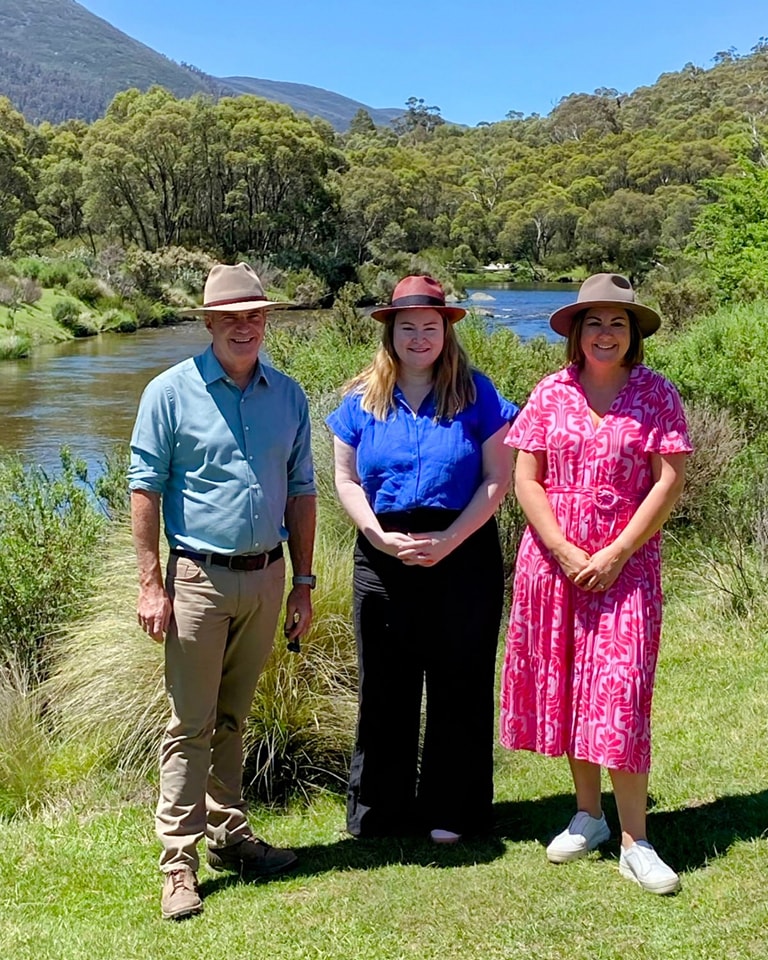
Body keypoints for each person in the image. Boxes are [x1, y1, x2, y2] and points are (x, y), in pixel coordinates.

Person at [129, 262, 317, 920]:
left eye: (255, 315)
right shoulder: (170, 393)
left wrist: (304, 581)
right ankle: (177, 863)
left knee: (233, 717)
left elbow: (302, 492)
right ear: (207, 322)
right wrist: (151, 584)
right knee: (190, 725)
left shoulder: (288, 396)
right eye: (231, 316)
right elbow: (144, 489)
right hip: (197, 582)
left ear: (267, 320)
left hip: (267, 577)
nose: (245, 326)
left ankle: (229, 837)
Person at [499, 273, 692, 894]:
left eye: (617, 323)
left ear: (633, 333)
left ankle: (638, 838)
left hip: (626, 565)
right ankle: (589, 815)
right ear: (576, 333)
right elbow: (526, 478)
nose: (605, 333)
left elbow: (667, 482)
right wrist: (559, 544)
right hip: (554, 564)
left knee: (622, 692)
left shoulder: (656, 394)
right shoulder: (550, 392)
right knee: (574, 687)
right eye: (594, 323)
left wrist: (615, 551)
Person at [326, 275, 518, 843]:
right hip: (383, 552)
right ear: (390, 332)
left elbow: (497, 480)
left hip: (464, 549)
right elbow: (345, 478)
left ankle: (451, 812)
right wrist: (378, 536)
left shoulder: (478, 394)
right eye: (406, 327)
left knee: (459, 681)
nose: (418, 337)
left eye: (429, 327)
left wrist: (450, 540)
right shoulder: (360, 399)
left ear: (446, 332)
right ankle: (380, 813)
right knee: (386, 684)